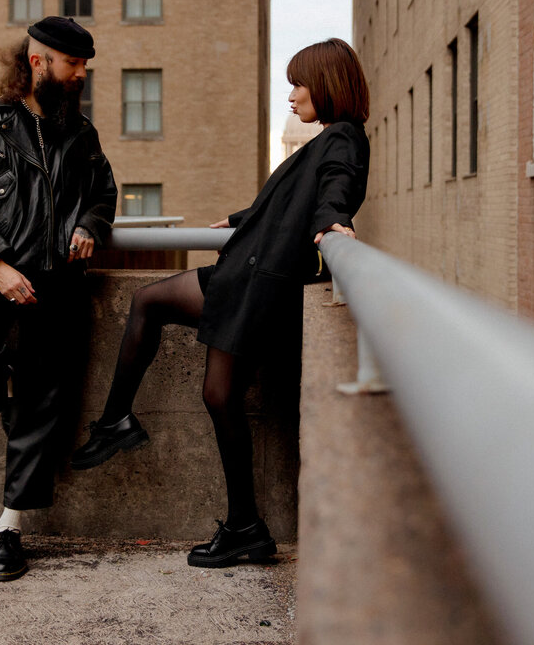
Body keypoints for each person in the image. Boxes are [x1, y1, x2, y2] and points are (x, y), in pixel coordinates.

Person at [72, 37, 370, 568]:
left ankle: (120, 423)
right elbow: (286, 204)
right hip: (252, 281)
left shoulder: (343, 140)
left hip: (257, 287)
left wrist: (333, 223)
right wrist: (239, 220)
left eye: (298, 83)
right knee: (216, 392)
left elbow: (333, 195)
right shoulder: (330, 138)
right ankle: (245, 527)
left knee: (150, 304)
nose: (292, 95)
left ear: (326, 84)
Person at [0, 16, 117, 582]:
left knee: (46, 401)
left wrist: (91, 222)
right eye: (73, 65)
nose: (80, 75)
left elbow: (105, 193)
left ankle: (8, 529)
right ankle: (14, 408)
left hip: (60, 286)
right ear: (39, 62)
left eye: (84, 66)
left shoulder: (81, 133)